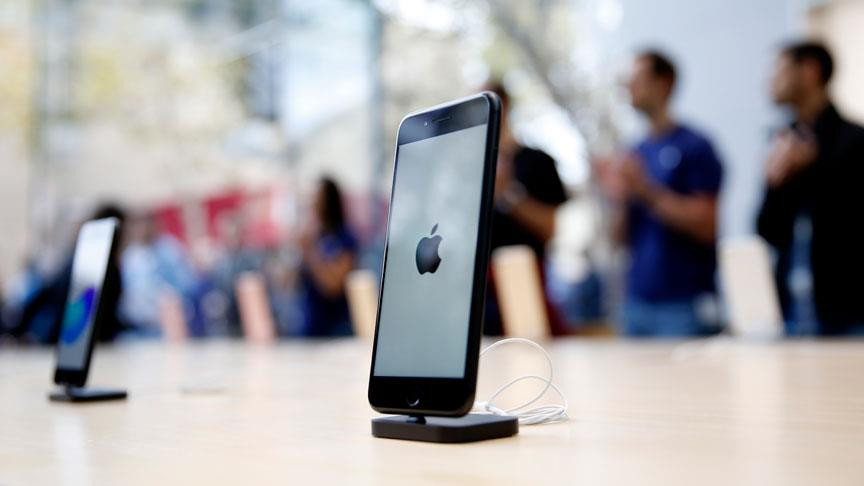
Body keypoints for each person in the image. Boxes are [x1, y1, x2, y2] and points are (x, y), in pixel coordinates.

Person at [595, 50, 723, 337]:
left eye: (637, 79)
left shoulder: (695, 146)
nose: (629, 87)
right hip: (636, 302)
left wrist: (644, 188)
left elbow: (706, 224)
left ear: (664, 83)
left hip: (683, 304)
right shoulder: (633, 152)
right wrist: (619, 197)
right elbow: (618, 238)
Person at [757, 41, 864, 335]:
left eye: (779, 69)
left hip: (849, 309)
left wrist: (814, 169)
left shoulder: (855, 141)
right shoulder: (782, 143)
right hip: (791, 309)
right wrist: (778, 182)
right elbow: (768, 231)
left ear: (809, 70)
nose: (771, 79)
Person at [482, 82, 569, 335]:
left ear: (503, 106)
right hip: (479, 296)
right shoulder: (469, 167)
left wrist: (507, 193)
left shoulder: (537, 161)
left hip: (525, 289)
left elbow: (549, 229)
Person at [299, 177, 357, 337]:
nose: (313, 202)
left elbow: (333, 286)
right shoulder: (315, 235)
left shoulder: (345, 237)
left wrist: (310, 251)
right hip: (312, 325)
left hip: (337, 328)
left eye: (318, 197)